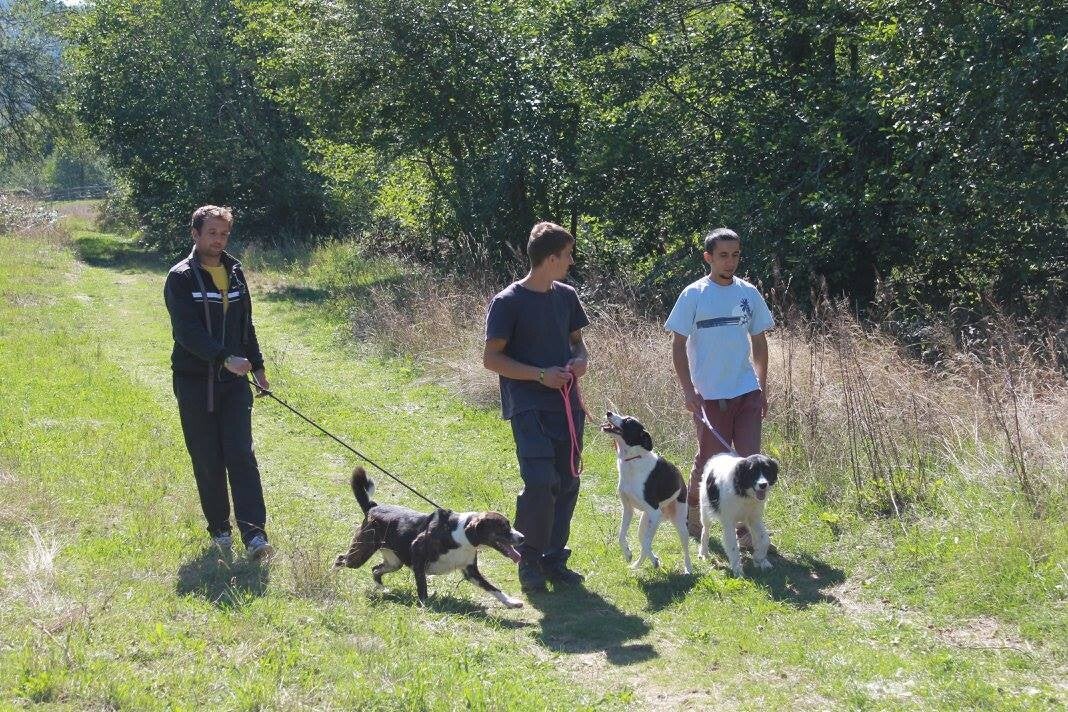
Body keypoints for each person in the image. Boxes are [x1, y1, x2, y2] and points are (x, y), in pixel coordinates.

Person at [483, 222, 590, 592]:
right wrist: (540, 375)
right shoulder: (508, 302)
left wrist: (580, 360)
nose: (571, 261)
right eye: (567, 255)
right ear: (550, 258)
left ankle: (553, 558)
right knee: (541, 482)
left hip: (568, 406)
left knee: (568, 481)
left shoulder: (567, 296)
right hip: (528, 406)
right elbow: (491, 359)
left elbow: (577, 343)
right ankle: (528, 559)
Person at [164, 205, 274, 560]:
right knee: (208, 458)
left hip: (234, 385)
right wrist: (224, 357)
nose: (218, 240)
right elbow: (187, 333)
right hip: (195, 383)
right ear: (195, 234)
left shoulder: (236, 272)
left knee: (241, 455)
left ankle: (255, 536)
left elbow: (246, 325)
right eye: (212, 233)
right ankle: (220, 531)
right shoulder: (180, 277)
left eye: (224, 234)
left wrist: (257, 367)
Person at [665, 227, 775, 537]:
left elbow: (759, 342)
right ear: (708, 257)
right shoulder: (694, 295)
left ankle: (745, 529)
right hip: (710, 396)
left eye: (735, 255)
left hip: (747, 392)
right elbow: (678, 345)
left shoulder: (748, 293)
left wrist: (762, 387)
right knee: (709, 461)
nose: (730, 262)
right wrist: (689, 390)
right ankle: (692, 511)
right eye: (723, 256)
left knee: (749, 461)